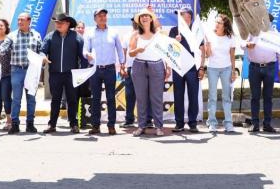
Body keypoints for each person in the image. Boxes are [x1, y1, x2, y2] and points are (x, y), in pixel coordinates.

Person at [0, 12, 43, 134]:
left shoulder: (36, 35)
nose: (19, 22)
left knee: (31, 98)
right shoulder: (12, 35)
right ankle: (15, 124)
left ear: (29, 21)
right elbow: (4, 48)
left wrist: (43, 59)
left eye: (22, 20)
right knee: (16, 98)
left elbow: (41, 51)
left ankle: (30, 124)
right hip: (16, 70)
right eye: (18, 20)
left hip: (32, 70)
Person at [128, 8, 171, 137]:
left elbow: (167, 51)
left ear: (152, 19)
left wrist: (168, 67)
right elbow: (130, 53)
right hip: (139, 66)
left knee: (157, 97)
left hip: (157, 66)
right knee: (141, 98)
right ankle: (141, 126)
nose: (145, 18)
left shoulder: (160, 34)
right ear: (139, 20)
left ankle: (158, 127)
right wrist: (137, 50)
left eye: (147, 16)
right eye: (142, 16)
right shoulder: (135, 34)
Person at [42, 13, 87, 134]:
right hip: (55, 74)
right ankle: (52, 124)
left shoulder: (77, 37)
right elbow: (42, 51)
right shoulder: (50, 36)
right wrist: (43, 57)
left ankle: (73, 124)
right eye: (56, 22)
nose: (58, 24)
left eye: (60, 22)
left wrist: (82, 72)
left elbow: (83, 57)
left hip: (71, 74)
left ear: (68, 24)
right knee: (55, 100)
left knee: (72, 100)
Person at [84, 9, 125, 135]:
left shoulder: (113, 32)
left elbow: (119, 49)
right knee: (95, 98)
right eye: (99, 16)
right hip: (95, 69)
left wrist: (122, 64)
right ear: (95, 18)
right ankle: (95, 125)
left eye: (104, 15)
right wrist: (87, 55)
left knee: (111, 97)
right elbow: (85, 50)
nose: (102, 17)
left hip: (110, 69)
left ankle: (111, 125)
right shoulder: (89, 33)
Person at [202, 13, 237, 133]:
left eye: (219, 22)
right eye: (216, 22)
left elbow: (232, 55)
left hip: (226, 68)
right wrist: (208, 44)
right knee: (212, 96)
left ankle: (228, 123)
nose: (216, 24)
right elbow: (208, 55)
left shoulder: (231, 37)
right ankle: (212, 122)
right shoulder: (210, 35)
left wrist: (233, 71)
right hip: (212, 69)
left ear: (225, 25)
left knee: (227, 97)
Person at [168, 7, 201, 133]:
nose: (185, 19)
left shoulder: (195, 30)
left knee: (193, 96)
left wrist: (201, 66)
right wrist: (174, 42)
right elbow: (168, 49)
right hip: (178, 68)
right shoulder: (174, 31)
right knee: (178, 96)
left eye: (188, 17)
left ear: (191, 18)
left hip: (193, 68)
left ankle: (193, 123)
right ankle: (179, 123)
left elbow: (201, 49)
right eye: (183, 16)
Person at [75, 21, 92, 129]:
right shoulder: (72, 40)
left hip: (86, 71)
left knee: (86, 95)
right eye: (78, 27)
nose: (80, 29)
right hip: (75, 72)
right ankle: (74, 118)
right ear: (75, 28)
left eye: (82, 27)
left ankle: (86, 119)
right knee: (74, 96)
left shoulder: (87, 40)